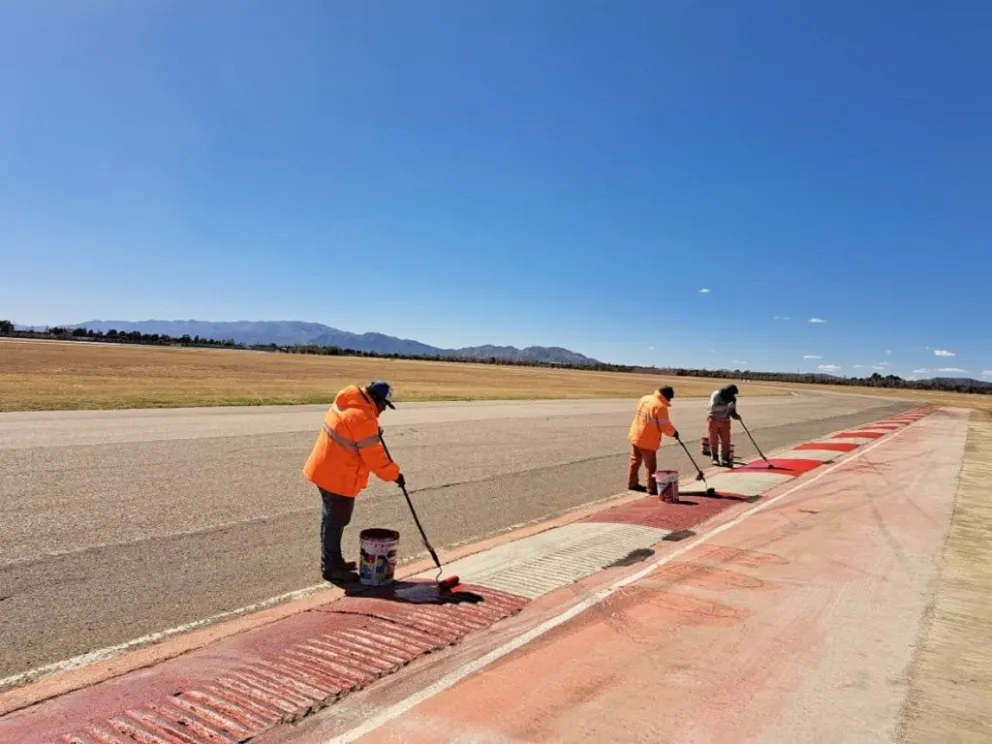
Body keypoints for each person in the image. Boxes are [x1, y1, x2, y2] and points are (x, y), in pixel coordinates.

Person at [303, 380, 404, 581]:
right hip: (337, 477)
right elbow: (375, 459)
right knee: (336, 520)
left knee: (331, 519)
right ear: (374, 399)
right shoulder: (363, 418)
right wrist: (395, 475)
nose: (383, 410)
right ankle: (331, 567)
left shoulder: (349, 402)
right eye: (383, 405)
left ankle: (334, 560)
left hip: (324, 470)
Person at [627, 385, 679, 495]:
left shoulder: (645, 398)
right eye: (670, 398)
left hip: (636, 435)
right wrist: (674, 433)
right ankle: (651, 489)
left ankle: (632, 484)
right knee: (650, 466)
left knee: (635, 461)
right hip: (647, 440)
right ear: (666, 395)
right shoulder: (660, 407)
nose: (669, 400)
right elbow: (665, 427)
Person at [707, 383, 741, 467]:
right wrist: (726, 406)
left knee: (726, 441)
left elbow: (732, 412)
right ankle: (714, 458)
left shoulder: (732, 399)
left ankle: (725, 458)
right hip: (713, 419)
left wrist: (736, 416)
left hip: (725, 421)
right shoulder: (716, 394)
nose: (732, 396)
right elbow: (713, 408)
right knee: (713, 440)